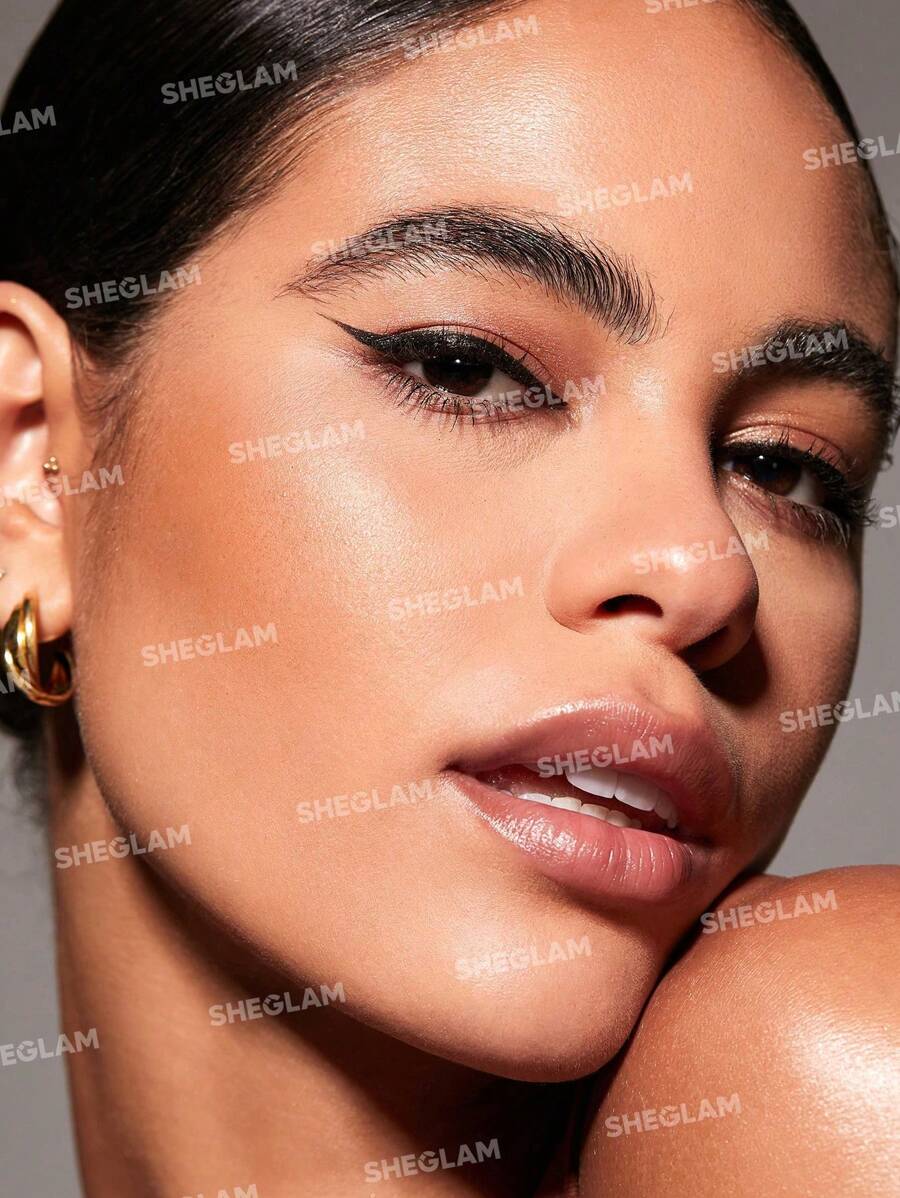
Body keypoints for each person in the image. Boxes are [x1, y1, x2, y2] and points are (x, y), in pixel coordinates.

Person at [0, 0, 897, 1193]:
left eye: (783, 468)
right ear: (30, 465)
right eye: (466, 369)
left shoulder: (843, 1065)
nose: (703, 568)